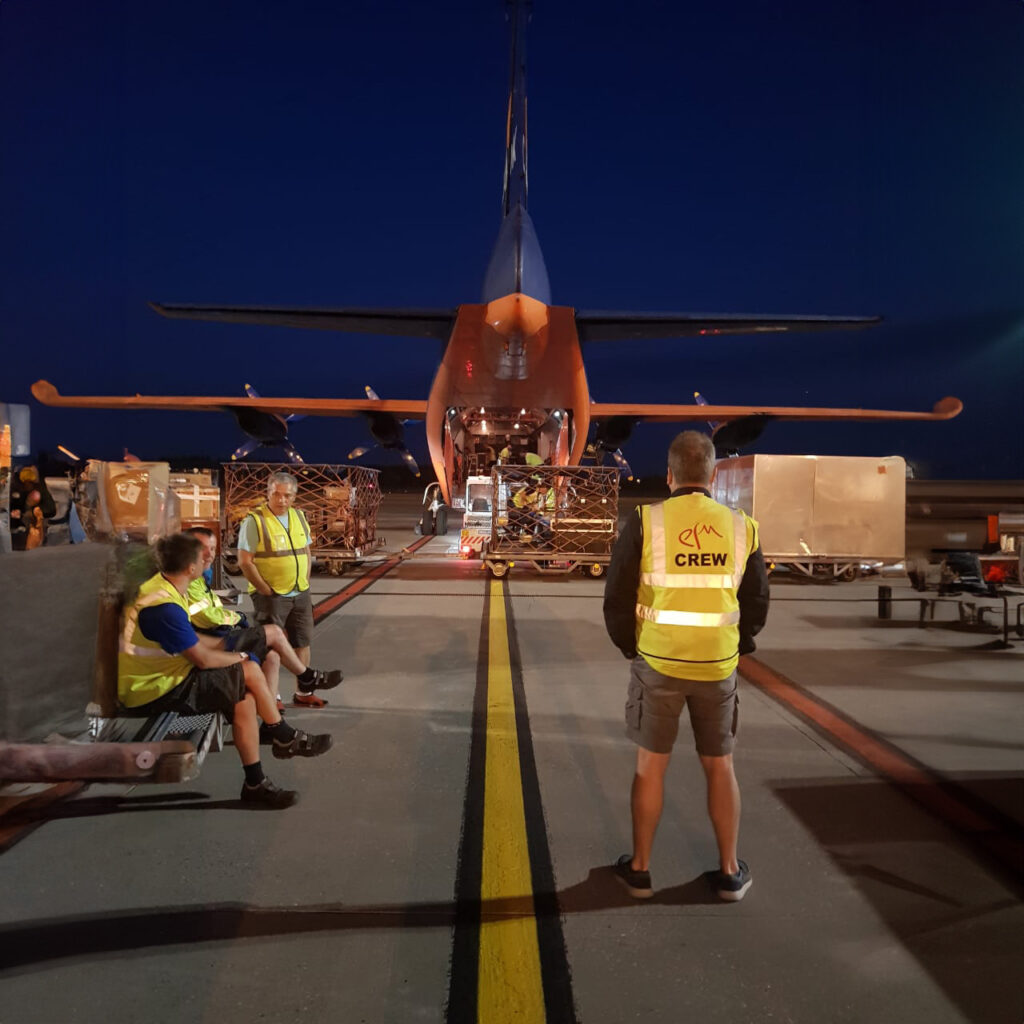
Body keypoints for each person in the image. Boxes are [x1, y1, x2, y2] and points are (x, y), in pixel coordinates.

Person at [603, 431, 769, 901]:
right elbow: (756, 600)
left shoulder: (646, 520)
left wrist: (632, 648)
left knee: (650, 768)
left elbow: (616, 596)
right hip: (717, 666)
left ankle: (640, 870)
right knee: (720, 767)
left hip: (657, 662)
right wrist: (738, 645)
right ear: (713, 475)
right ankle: (730, 872)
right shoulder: (742, 526)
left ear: (669, 474)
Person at [118, 533, 333, 809]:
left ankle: (255, 782)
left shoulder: (165, 587)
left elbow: (193, 641)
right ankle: (282, 734)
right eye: (202, 557)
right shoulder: (163, 607)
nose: (207, 560)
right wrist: (240, 656)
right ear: (191, 568)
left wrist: (229, 651)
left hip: (165, 674)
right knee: (250, 670)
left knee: (245, 699)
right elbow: (202, 659)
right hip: (153, 688)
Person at [184, 527, 342, 706]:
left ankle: (274, 711)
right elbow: (204, 616)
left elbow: (209, 611)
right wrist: (237, 617)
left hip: (217, 634)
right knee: (273, 634)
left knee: (273, 656)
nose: (209, 554)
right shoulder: (190, 581)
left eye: (212, 549)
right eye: (202, 548)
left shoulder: (200, 578)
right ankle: (306, 677)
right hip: (210, 640)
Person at [237, 471, 334, 709]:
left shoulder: (299, 516)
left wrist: (305, 579)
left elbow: (306, 550)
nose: (282, 500)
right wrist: (264, 589)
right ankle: (273, 698)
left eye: (287, 495)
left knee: (302, 641)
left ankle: (304, 692)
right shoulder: (255, 521)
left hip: (300, 592)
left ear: (295, 496)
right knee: (270, 648)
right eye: (276, 494)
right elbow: (245, 561)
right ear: (268, 493)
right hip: (272, 596)